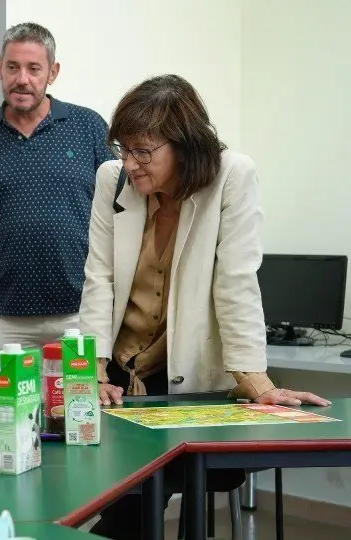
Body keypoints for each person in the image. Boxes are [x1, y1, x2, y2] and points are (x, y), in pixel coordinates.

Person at [78, 74, 329, 539]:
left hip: (189, 374)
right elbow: (100, 278)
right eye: (123, 149)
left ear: (184, 145)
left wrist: (255, 382)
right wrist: (90, 370)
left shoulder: (231, 176)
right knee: (111, 483)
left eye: (143, 151)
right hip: (119, 373)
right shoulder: (111, 179)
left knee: (151, 484)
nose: (130, 163)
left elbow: (236, 282)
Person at [0, 22, 115, 353]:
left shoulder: (88, 127)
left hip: (81, 314)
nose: (21, 78)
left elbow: (120, 212)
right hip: (4, 320)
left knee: (77, 405)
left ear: (52, 72)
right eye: (12, 67)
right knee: (10, 407)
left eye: (33, 68)